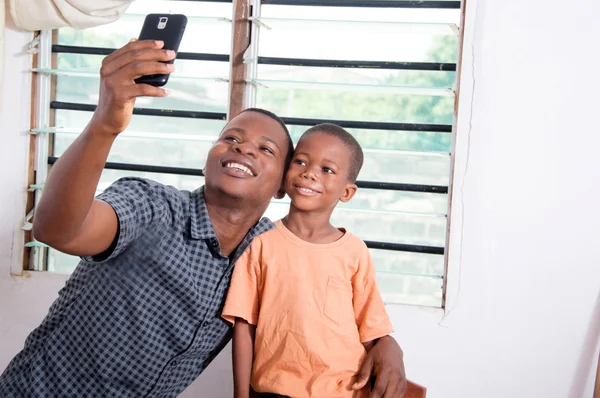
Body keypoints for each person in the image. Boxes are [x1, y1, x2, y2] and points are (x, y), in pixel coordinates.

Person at [0, 40, 407, 397]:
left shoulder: (271, 250)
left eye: (266, 149)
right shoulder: (149, 205)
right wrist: (104, 126)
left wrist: (386, 342)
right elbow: (57, 230)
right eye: (230, 138)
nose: (243, 149)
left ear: (284, 184)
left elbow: (326, 304)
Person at [222, 124, 404, 398]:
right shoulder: (260, 242)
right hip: (273, 391)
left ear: (347, 192)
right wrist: (240, 395)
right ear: (285, 175)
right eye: (301, 162)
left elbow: (371, 330)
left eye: (327, 170)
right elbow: (244, 324)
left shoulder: (354, 251)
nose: (309, 173)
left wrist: (391, 347)